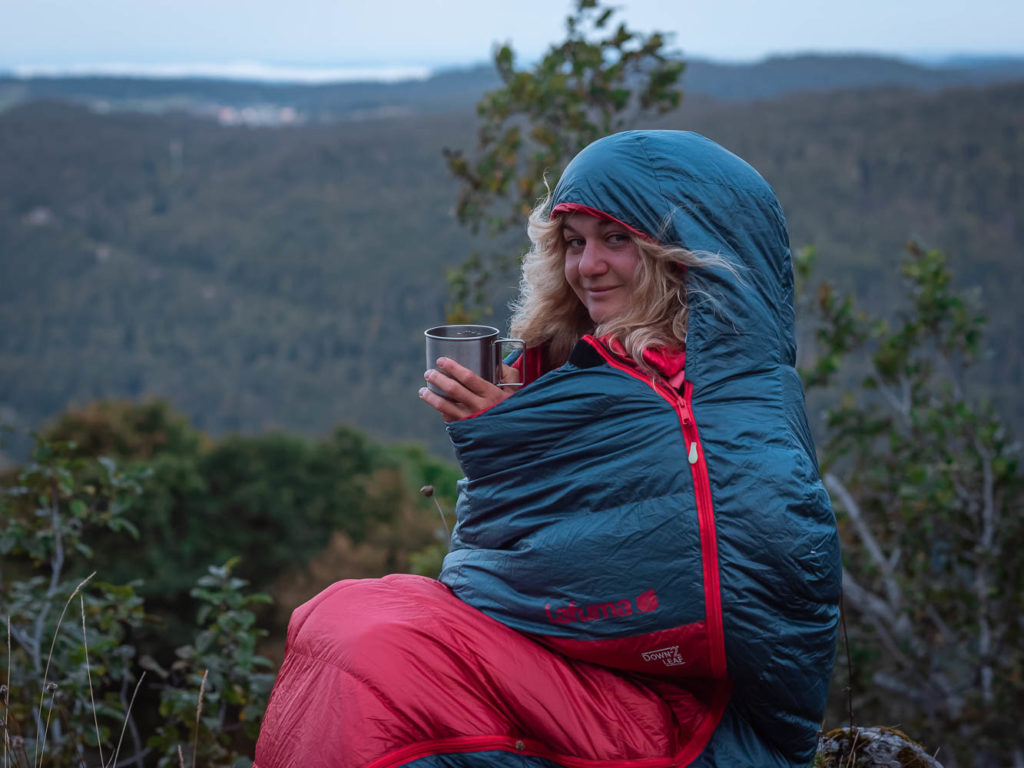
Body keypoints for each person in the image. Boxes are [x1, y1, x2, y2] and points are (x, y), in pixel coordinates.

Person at [254, 130, 841, 768]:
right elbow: (484, 571)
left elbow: (720, 594)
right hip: (585, 681)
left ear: (685, 252)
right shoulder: (578, 374)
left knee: (378, 660)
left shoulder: (727, 407)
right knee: (340, 620)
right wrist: (518, 431)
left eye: (616, 238)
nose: (587, 265)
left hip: (697, 726)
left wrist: (521, 444)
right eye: (573, 241)